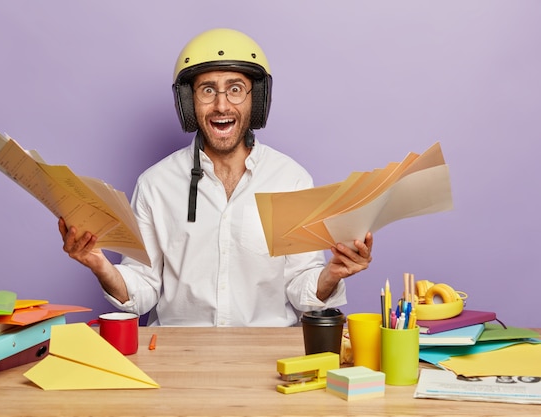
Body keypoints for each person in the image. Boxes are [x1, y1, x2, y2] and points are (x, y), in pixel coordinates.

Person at [59, 28, 373, 326]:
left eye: (235, 89)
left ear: (257, 99)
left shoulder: (291, 180)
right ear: (188, 101)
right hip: (177, 355)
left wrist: (332, 273)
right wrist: (100, 265)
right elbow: (141, 291)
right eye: (208, 90)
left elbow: (301, 289)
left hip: (267, 355)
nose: (221, 105)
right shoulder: (155, 184)